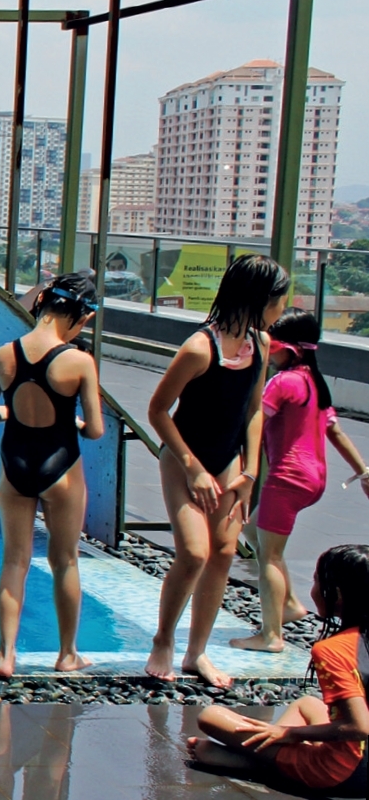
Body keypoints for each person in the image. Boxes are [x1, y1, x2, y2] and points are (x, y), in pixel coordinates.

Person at [145, 253, 291, 687]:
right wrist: (192, 468)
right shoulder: (199, 348)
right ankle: (163, 641)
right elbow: (157, 411)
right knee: (194, 553)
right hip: (184, 457)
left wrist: (249, 473)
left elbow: (252, 412)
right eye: (280, 299)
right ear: (260, 299)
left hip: (228, 461)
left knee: (224, 552)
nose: (284, 308)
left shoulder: (259, 345)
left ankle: (197, 654)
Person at [0, 271, 105, 676]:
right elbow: (96, 429)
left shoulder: (4, 353)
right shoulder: (78, 361)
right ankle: (67, 655)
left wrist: (10, 411)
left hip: (14, 464)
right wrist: (77, 424)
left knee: (14, 560)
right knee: (64, 560)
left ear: (43, 302)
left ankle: (5, 655)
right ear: (80, 316)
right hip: (60, 465)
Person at [233, 310, 369, 653]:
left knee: (271, 558)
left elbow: (252, 421)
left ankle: (271, 636)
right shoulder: (312, 381)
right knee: (250, 529)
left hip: (287, 478)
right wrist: (364, 471)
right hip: (314, 479)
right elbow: (334, 431)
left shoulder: (283, 382)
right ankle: (290, 603)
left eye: (270, 345)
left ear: (289, 349)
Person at [191, 544, 369, 796]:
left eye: (316, 580)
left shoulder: (335, 649)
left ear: (337, 594)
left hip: (342, 773)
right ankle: (266, 759)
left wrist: (289, 733)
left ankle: (253, 761)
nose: (313, 588)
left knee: (210, 716)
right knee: (306, 703)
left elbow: (360, 727)